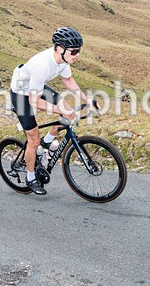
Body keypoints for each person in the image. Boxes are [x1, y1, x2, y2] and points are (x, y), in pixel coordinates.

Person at [10, 27, 90, 195]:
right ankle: (30, 177)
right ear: (60, 49)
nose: (77, 55)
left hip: (36, 87)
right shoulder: (42, 65)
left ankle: (48, 140)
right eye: (74, 51)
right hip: (21, 93)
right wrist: (58, 109)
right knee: (33, 139)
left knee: (67, 109)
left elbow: (68, 80)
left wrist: (86, 99)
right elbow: (34, 102)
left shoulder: (63, 60)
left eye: (79, 51)